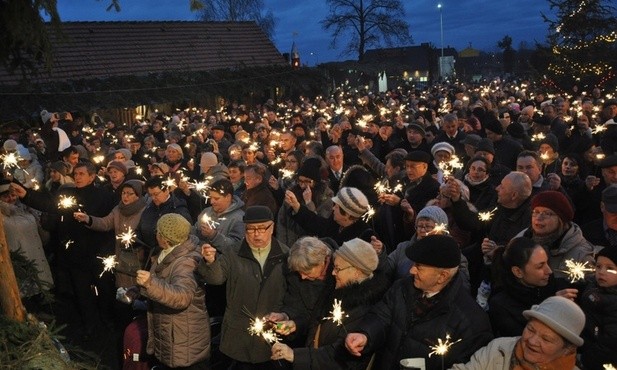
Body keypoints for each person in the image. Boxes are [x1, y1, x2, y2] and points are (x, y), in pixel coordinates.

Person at [345, 234, 493, 369]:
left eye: (419, 267)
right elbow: (381, 316)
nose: (411, 271)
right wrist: (365, 334)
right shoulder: (401, 288)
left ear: (442, 276)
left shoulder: (471, 322)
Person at [270, 238, 388, 370]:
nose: (332, 273)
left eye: (337, 269)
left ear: (356, 271)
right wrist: (296, 325)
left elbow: (340, 356)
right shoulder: (338, 290)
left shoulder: (364, 306)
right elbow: (320, 323)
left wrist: (294, 355)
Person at [197, 206, 289, 369]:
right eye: (251, 229)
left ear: (272, 227)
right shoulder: (233, 251)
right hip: (238, 334)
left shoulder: (285, 254)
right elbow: (216, 279)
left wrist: (285, 316)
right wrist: (210, 262)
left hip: (271, 335)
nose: (256, 234)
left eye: (262, 228)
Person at [135, 213, 211, 369]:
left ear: (165, 238)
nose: (155, 234)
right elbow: (160, 285)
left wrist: (150, 284)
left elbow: (182, 297)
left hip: (184, 344)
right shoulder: (165, 253)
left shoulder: (186, 263)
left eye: (158, 231)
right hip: (169, 336)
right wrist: (138, 290)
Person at [450, 296, 585, 370]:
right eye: (530, 330)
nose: (532, 341)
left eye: (546, 339)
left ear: (567, 349)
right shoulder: (499, 350)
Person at [488, 237, 573, 337]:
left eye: (547, 262)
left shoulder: (555, 285)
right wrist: (550, 308)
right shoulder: (501, 305)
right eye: (540, 266)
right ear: (518, 272)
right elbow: (528, 339)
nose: (549, 271)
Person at [73, 180, 147, 289]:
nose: (125, 196)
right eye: (123, 193)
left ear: (138, 195)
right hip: (120, 255)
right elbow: (105, 223)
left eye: (130, 193)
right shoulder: (118, 209)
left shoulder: (144, 211)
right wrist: (88, 219)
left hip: (137, 256)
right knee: (122, 287)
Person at [515, 190, 595, 280]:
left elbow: (589, 288)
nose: (539, 218)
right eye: (536, 212)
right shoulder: (519, 240)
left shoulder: (581, 254)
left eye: (547, 213)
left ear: (561, 219)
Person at [286, 186, 371, 246]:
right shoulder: (334, 222)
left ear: (347, 214)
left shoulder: (364, 235)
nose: (333, 208)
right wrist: (296, 205)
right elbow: (315, 222)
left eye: (337, 207)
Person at [579, 247, 617, 369]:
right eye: (598, 266)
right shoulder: (592, 285)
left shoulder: (614, 304)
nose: (601, 272)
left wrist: (584, 359)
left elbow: (609, 344)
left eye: (610, 268)